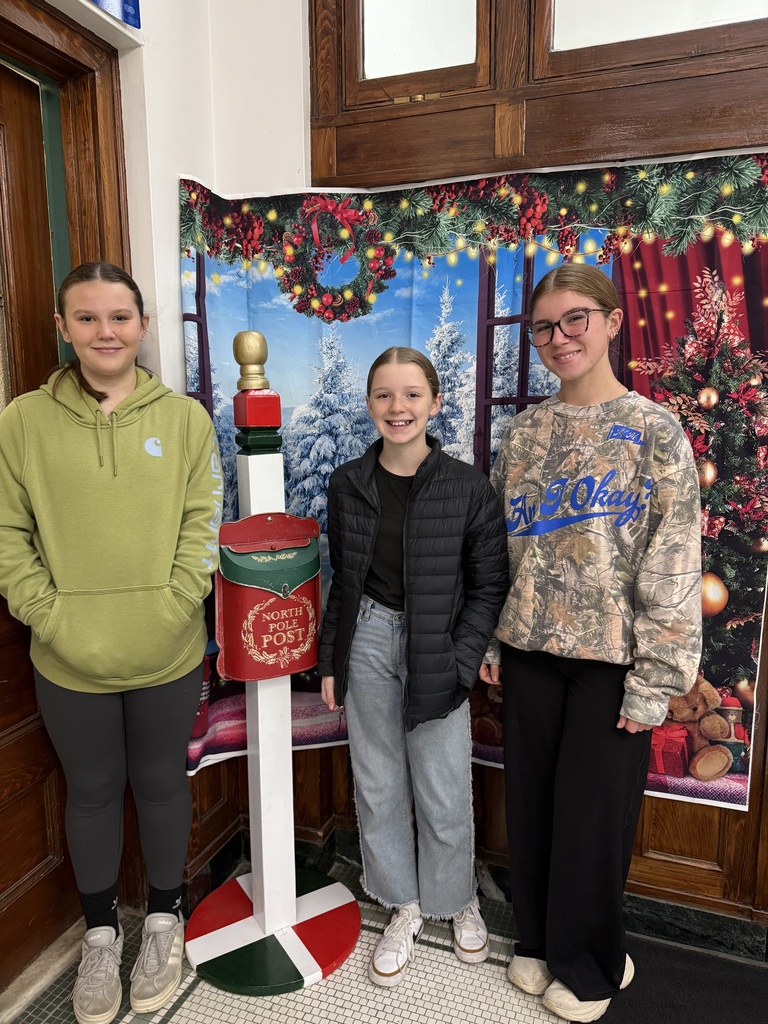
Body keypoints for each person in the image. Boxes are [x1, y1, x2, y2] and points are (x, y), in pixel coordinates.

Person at [0, 263, 222, 1024]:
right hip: (67, 658)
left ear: (143, 327)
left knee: (162, 785)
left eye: (120, 317)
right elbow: (7, 534)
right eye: (88, 318)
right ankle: (101, 937)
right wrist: (47, 614)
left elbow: (203, 526)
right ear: (64, 328)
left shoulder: (186, 420)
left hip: (166, 651)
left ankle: (164, 922)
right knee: (91, 793)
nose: (105, 332)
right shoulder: (21, 422)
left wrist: (174, 606)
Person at [480, 263, 702, 1023]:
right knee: (535, 805)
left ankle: (594, 961)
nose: (559, 338)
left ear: (610, 321)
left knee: (593, 815)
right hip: (530, 650)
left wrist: (656, 680)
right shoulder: (527, 430)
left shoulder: (655, 431)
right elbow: (497, 548)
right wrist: (489, 641)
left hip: (613, 662)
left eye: (575, 319)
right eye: (544, 327)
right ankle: (540, 941)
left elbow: (674, 561)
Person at [318, 347, 508, 987]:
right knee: (377, 781)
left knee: (444, 783)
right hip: (367, 639)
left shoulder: (467, 486)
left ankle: (456, 899)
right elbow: (341, 581)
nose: (397, 408)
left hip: (437, 645)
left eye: (411, 395)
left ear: (434, 401)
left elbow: (488, 587)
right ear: (369, 403)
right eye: (383, 395)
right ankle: (403, 903)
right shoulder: (346, 484)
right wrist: (330, 661)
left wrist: (460, 658)